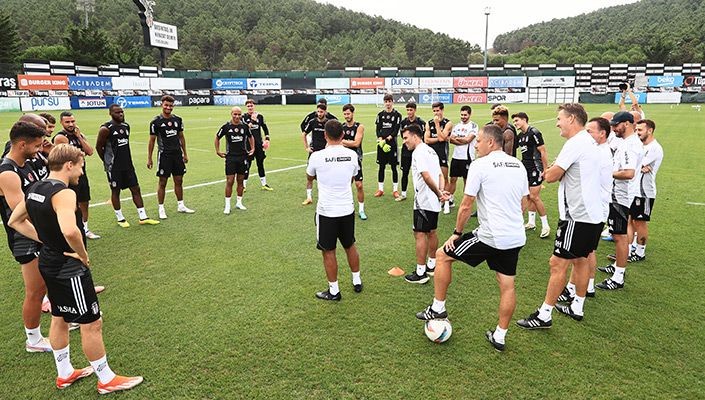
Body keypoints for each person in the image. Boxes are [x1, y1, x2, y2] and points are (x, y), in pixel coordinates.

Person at [9, 143, 143, 394]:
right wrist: (82, 255)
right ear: (69, 165)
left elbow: (14, 221)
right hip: (68, 267)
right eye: (80, 166)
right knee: (92, 322)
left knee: (59, 317)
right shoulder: (64, 193)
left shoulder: (35, 187)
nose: (81, 172)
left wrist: (45, 240)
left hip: (48, 262)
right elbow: (70, 230)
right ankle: (106, 379)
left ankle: (65, 373)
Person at [415, 124, 528, 352]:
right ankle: (500, 336)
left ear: (490, 142)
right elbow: (524, 202)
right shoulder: (518, 164)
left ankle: (438, 308)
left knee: (442, 255)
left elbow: (466, 205)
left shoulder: (480, 165)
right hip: (515, 235)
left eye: (478, 142)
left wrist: (456, 233)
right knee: (507, 284)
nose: (475, 145)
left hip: (491, 235)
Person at [516, 103, 605, 328]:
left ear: (572, 119)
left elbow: (552, 176)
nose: (557, 123)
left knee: (557, 263)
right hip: (593, 214)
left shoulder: (575, 143)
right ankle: (578, 305)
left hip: (577, 215)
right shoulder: (590, 142)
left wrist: (550, 170)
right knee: (581, 259)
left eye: (559, 118)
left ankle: (544, 314)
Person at [0, 120, 52, 352]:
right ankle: (33, 340)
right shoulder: (7, 173)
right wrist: (47, 235)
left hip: (39, 232)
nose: (40, 149)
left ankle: (65, 317)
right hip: (24, 237)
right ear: (22, 144)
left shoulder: (26, 163)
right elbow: (21, 214)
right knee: (36, 290)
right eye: (37, 145)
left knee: (51, 279)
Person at [557, 117, 613, 303]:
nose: (587, 135)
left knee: (577, 257)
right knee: (585, 254)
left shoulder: (597, 150)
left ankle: (575, 293)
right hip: (596, 209)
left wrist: (559, 169)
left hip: (588, 210)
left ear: (602, 133)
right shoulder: (599, 150)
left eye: (590, 131)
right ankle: (580, 290)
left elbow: (558, 174)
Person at [306, 120, 362, 300]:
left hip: (327, 210)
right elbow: (353, 177)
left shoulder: (316, 156)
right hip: (347, 208)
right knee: (349, 244)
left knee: (328, 250)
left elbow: (310, 176)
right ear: (343, 135)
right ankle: (356, 280)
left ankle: (334, 290)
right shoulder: (352, 155)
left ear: (324, 136)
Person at [596, 111, 645, 290]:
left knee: (619, 236)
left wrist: (604, 173)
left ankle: (618, 277)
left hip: (620, 195)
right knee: (619, 234)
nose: (613, 128)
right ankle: (617, 267)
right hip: (620, 194)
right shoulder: (628, 142)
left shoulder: (629, 145)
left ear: (626, 123)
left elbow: (628, 173)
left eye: (616, 125)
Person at [95, 104, 159, 227]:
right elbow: (99, 147)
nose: (121, 114)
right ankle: (120, 218)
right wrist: (107, 161)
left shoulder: (126, 126)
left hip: (128, 164)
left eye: (122, 112)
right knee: (115, 191)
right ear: (110, 114)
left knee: (136, 188)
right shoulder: (105, 129)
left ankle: (143, 216)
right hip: (114, 167)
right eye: (117, 112)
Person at [402, 124, 448, 284]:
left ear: (415, 136)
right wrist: (441, 193)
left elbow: (427, 176)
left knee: (420, 233)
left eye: (406, 138)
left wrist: (438, 193)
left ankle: (421, 272)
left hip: (424, 200)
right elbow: (440, 175)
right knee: (432, 231)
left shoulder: (419, 152)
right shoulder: (431, 150)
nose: (404, 142)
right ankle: (432, 264)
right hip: (434, 201)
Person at [147, 95, 195, 219]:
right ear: (161, 105)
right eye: (166, 105)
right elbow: (152, 141)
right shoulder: (155, 122)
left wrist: (185, 153)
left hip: (177, 155)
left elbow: (181, 137)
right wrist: (149, 158)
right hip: (164, 155)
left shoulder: (178, 120)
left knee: (179, 180)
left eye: (170, 105)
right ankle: (161, 208)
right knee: (162, 182)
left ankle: (181, 205)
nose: (168, 107)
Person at [53, 111, 99, 239]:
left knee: (84, 202)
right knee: (72, 205)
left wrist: (79, 137)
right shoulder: (60, 137)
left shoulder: (79, 135)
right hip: (68, 178)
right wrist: (80, 154)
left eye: (72, 121)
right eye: (67, 122)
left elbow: (89, 151)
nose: (71, 124)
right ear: (61, 123)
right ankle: (71, 229)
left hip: (81, 174)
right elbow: (68, 157)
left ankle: (85, 228)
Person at [625, 119, 663, 262]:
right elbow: (635, 166)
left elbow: (634, 165)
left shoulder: (654, 148)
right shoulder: (640, 146)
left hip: (644, 192)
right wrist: (639, 167)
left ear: (650, 130)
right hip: (633, 190)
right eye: (636, 130)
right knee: (630, 221)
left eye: (640, 130)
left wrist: (638, 167)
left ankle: (640, 253)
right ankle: (628, 251)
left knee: (640, 222)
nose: (637, 133)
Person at [512, 112, 550, 238]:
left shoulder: (534, 133)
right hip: (525, 168)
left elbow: (543, 151)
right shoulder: (520, 135)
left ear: (524, 120)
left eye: (517, 120)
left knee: (534, 196)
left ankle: (545, 225)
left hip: (535, 168)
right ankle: (531, 222)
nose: (515, 123)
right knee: (528, 196)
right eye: (514, 121)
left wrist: (545, 169)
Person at [216, 107, 255, 214]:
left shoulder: (244, 126)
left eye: (239, 114)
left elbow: (251, 137)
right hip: (230, 157)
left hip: (243, 157)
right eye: (235, 114)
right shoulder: (226, 126)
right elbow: (217, 137)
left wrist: (253, 148)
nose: (237, 116)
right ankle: (227, 205)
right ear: (231, 114)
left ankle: (239, 202)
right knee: (230, 181)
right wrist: (218, 151)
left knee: (240, 180)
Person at [446, 105, 478, 214]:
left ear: (469, 114)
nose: (463, 117)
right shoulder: (457, 126)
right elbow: (451, 140)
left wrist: (458, 139)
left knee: (466, 181)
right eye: (462, 114)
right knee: (453, 179)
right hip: (456, 157)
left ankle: (466, 203)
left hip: (467, 158)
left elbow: (468, 140)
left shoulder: (473, 126)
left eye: (465, 115)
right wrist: (462, 140)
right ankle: (450, 200)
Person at [424, 102, 453, 210]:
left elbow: (442, 139)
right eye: (434, 111)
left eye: (438, 110)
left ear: (442, 110)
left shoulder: (448, 123)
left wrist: (437, 125)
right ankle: (436, 198)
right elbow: (426, 140)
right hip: (431, 154)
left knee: (444, 178)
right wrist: (440, 138)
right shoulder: (428, 123)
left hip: (442, 154)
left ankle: (446, 203)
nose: (436, 113)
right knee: (432, 177)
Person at [340, 103, 367, 220]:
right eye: (345, 114)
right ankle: (346, 207)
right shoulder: (341, 127)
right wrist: (346, 142)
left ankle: (361, 210)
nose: (346, 116)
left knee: (359, 185)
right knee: (345, 184)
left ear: (352, 113)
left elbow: (356, 143)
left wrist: (343, 141)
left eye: (348, 113)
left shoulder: (359, 126)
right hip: (343, 159)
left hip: (356, 159)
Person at [301, 103, 331, 205]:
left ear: (325, 112)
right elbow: (304, 134)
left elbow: (331, 137)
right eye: (318, 111)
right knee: (309, 176)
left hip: (324, 153)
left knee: (324, 176)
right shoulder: (312, 122)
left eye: (321, 112)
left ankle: (325, 196)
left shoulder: (328, 123)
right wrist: (306, 147)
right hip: (313, 153)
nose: (319, 113)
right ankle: (309, 197)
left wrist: (328, 147)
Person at [374, 94, 402, 199]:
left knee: (394, 167)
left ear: (392, 102)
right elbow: (378, 128)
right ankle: (380, 189)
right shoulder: (380, 115)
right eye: (386, 101)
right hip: (381, 145)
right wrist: (380, 139)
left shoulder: (397, 115)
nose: (388, 103)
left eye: (389, 101)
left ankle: (395, 190)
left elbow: (396, 129)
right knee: (381, 166)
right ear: (384, 102)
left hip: (392, 144)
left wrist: (388, 138)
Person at [397, 102, 425, 202]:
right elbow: (403, 136)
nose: (409, 112)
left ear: (415, 110)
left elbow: (423, 136)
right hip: (406, 152)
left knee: (419, 173)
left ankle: (419, 194)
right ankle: (403, 194)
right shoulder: (403, 122)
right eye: (407, 110)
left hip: (418, 152)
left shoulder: (421, 122)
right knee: (405, 172)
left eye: (411, 110)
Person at [242, 99, 273, 191]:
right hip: (248, 145)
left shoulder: (260, 116)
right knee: (247, 165)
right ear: (246, 107)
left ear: (254, 106)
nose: (250, 107)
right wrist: (252, 120)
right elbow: (246, 129)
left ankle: (264, 184)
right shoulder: (244, 117)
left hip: (259, 145)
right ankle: (243, 186)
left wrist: (267, 139)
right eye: (248, 106)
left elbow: (264, 127)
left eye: (251, 105)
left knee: (260, 164)